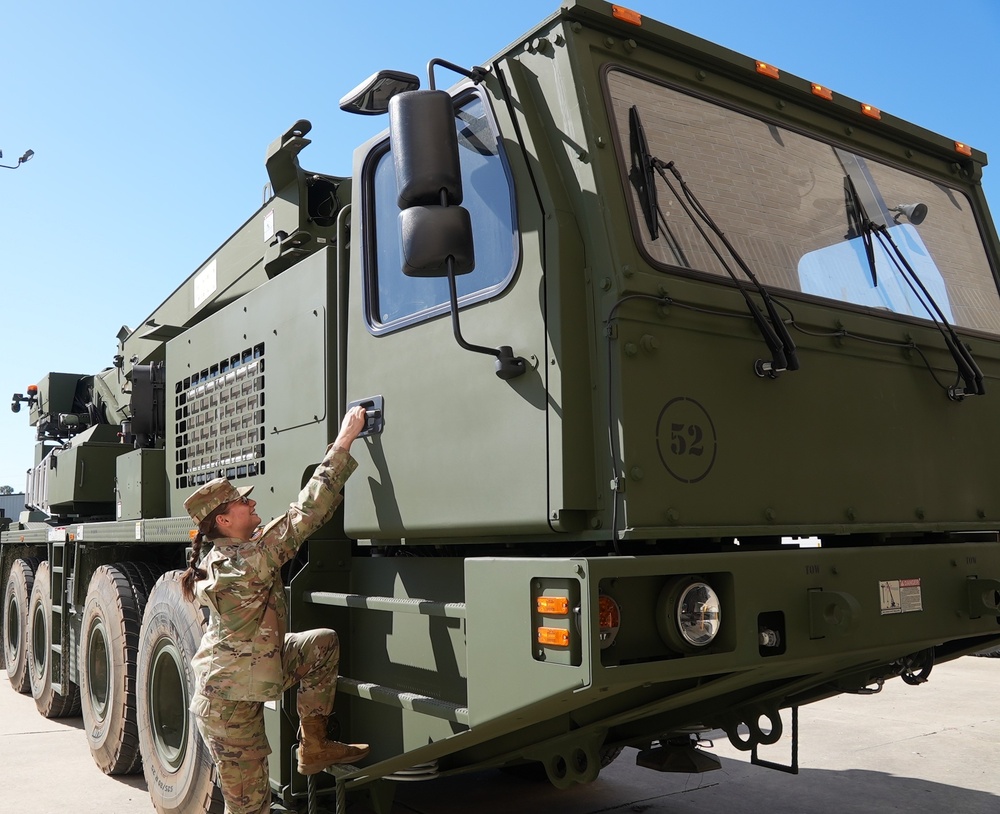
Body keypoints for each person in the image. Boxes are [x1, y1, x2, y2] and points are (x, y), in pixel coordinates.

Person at [181, 405, 370, 814]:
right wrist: (343, 441)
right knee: (250, 808)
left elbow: (295, 521)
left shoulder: (236, 552)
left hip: (254, 670)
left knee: (321, 645)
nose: (252, 505)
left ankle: (314, 746)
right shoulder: (243, 561)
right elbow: (305, 515)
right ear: (225, 520)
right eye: (243, 504)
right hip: (228, 706)